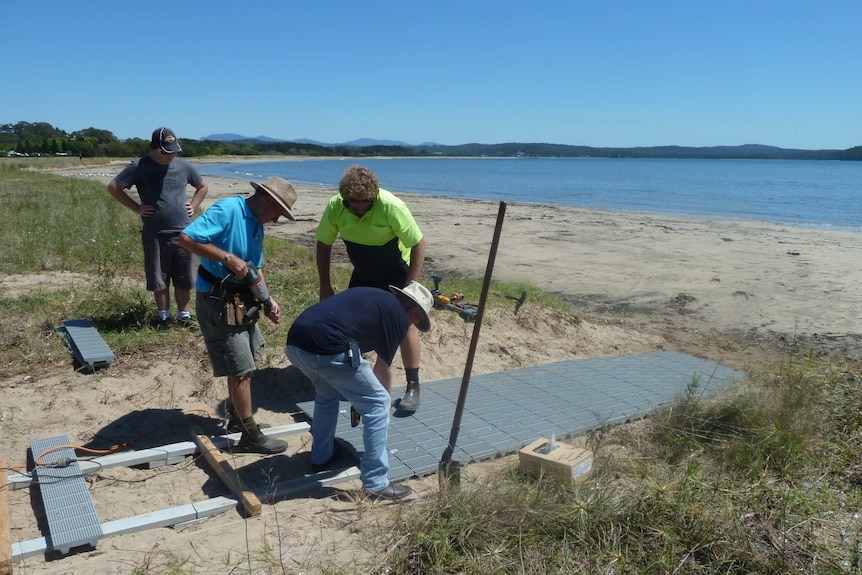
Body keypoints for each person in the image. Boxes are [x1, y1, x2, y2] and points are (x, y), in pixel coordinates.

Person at [178, 177, 297, 455]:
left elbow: (255, 267)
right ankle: (250, 436)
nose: (277, 220)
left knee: (247, 364)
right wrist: (226, 257)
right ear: (269, 200)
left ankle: (237, 419)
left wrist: (268, 300)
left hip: (241, 302)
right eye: (278, 213)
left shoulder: (256, 223)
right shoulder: (228, 210)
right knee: (241, 370)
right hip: (218, 303)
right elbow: (186, 238)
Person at [285, 281, 433, 500]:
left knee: (327, 396)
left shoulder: (374, 297)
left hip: (296, 345)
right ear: (412, 311)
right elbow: (382, 370)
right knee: (379, 403)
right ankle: (376, 483)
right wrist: (382, 400)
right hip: (326, 347)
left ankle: (321, 457)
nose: (412, 325)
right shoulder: (398, 317)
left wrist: (361, 394)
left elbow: (352, 345)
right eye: (416, 320)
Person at [315, 165, 427, 412]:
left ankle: (412, 385)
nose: (360, 206)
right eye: (353, 201)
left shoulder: (390, 206)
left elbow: (418, 244)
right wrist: (325, 285)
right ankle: (361, 380)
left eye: (366, 201)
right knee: (351, 325)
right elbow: (323, 245)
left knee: (404, 322)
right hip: (364, 271)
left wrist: (411, 287)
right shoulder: (336, 206)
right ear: (344, 197)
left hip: (395, 269)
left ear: (374, 195)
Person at [108, 127, 209, 330]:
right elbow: (114, 187)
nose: (170, 155)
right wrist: (137, 207)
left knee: (184, 276)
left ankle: (184, 315)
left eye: (173, 151)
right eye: (165, 151)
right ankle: (164, 317)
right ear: (155, 148)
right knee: (159, 276)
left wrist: (194, 205)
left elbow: (203, 186)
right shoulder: (139, 166)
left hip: (183, 232)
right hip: (155, 232)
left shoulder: (183, 166)